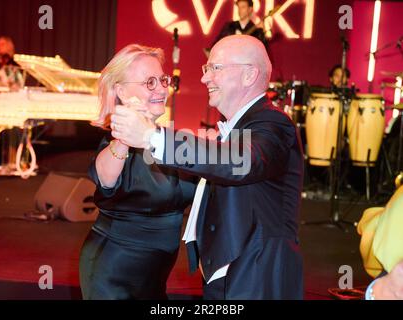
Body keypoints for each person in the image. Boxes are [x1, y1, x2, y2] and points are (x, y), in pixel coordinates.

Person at [110, 35, 304, 299]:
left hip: (258, 277)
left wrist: (152, 137)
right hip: (229, 276)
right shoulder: (232, 129)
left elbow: (239, 161)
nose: (204, 78)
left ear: (249, 75)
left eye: (215, 68)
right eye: (206, 68)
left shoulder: (273, 123)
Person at [79, 44, 196, 300]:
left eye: (163, 80)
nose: (162, 89)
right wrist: (124, 132)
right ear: (121, 90)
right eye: (149, 82)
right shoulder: (115, 146)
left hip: (154, 280)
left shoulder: (167, 143)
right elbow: (106, 179)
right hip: (112, 275)